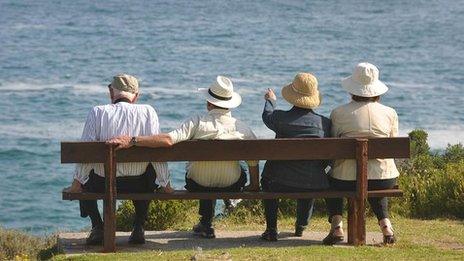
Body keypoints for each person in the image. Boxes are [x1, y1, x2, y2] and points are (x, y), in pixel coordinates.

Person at [108, 75, 260, 239]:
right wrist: (253, 185)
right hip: (231, 185)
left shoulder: (197, 122)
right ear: (229, 105)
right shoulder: (243, 128)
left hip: (198, 184)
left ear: (209, 103)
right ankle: (212, 218)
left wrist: (133, 140)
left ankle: (206, 223)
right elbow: (254, 159)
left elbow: (168, 140)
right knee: (239, 169)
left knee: (201, 172)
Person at [65, 74, 173, 245]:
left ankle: (98, 227)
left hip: (103, 182)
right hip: (138, 184)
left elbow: (86, 154)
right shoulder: (148, 111)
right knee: (149, 171)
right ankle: (138, 226)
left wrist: (77, 183)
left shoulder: (97, 112)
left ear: (111, 92)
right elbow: (156, 153)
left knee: (85, 178)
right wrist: (165, 184)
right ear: (136, 96)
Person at [323, 62, 399, 245]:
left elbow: (333, 144)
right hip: (385, 177)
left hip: (345, 178)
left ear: (352, 89)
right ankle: (386, 225)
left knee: (330, 179)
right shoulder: (390, 113)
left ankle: (336, 225)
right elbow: (392, 143)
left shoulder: (339, 113)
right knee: (371, 178)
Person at [260, 73, 331, 241]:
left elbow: (266, 116)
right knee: (309, 170)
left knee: (268, 177)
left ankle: (271, 229)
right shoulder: (324, 124)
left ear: (292, 96)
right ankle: (301, 225)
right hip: (312, 183)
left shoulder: (279, 118)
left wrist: (270, 100)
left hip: (278, 182)